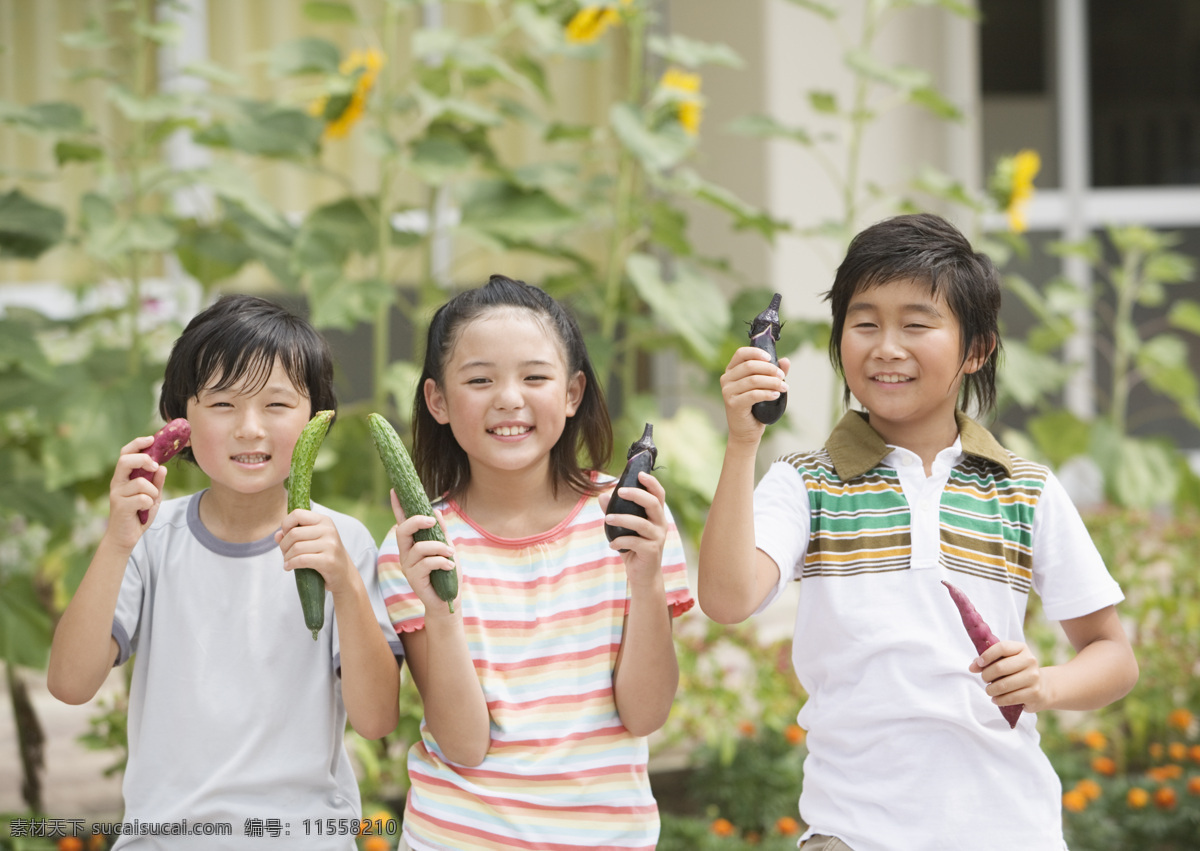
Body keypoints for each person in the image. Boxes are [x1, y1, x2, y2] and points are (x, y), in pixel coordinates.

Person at [698, 213, 1139, 851]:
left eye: (917, 323)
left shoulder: (1025, 489)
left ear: (977, 348)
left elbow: (1113, 657)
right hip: (850, 835)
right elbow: (727, 598)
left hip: (1012, 830)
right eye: (865, 322)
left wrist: (1043, 685)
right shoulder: (804, 482)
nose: (886, 347)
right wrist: (744, 443)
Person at [47, 294, 403, 850]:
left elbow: (377, 720)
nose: (250, 428)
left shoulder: (343, 544)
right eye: (223, 405)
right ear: (181, 420)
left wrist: (347, 587)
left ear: (315, 420)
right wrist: (117, 542)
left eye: (277, 405)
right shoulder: (149, 539)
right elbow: (70, 685)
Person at [377, 274, 693, 850]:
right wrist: (440, 611)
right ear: (438, 401)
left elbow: (645, 714)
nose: (509, 399)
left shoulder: (633, 523)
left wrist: (645, 579)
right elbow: (463, 745)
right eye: (479, 380)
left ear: (572, 393)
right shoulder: (418, 546)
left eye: (535, 376)